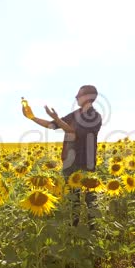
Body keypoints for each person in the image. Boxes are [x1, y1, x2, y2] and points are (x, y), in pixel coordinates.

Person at [22, 85, 103, 227]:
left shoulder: (94, 117)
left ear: (88, 97)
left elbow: (74, 132)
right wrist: (32, 117)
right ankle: (73, 230)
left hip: (85, 162)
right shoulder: (75, 115)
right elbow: (52, 125)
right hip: (69, 162)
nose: (76, 97)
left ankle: (92, 232)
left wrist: (57, 119)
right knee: (73, 201)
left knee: (90, 201)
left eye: (79, 95)